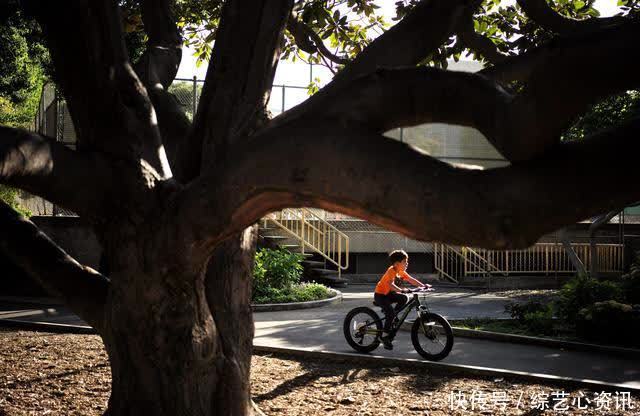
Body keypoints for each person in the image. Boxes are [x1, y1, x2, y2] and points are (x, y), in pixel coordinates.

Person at [374, 249, 431, 350]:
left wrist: (424, 286)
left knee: (404, 298)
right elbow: (390, 284)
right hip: (381, 295)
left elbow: (411, 279)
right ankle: (384, 336)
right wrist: (401, 290)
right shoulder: (391, 271)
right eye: (405, 261)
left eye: (407, 261)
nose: (407, 263)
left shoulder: (400, 271)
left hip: (389, 294)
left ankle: (393, 314)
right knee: (390, 313)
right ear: (396, 263)